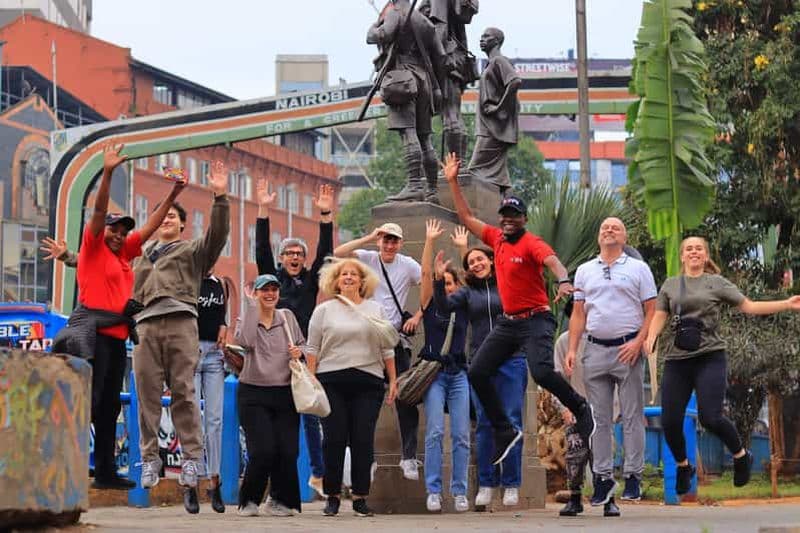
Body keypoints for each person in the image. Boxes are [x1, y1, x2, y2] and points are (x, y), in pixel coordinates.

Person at [442, 152, 595, 467]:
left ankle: (580, 407)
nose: (508, 220)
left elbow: (552, 261)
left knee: (540, 371)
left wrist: (564, 280)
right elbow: (466, 216)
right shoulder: (496, 238)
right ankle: (504, 429)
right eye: (505, 215)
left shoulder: (531, 243)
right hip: (509, 323)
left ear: (523, 219)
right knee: (478, 371)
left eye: (514, 215)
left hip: (536, 318)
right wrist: (453, 181)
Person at [50, 143, 186, 491]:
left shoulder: (124, 253)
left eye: (124, 232)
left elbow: (152, 227)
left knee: (109, 408)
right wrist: (107, 171)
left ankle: (106, 472)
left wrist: (174, 193)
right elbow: (97, 211)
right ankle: (71, 468)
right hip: (91, 337)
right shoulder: (94, 247)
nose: (119, 235)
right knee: (88, 404)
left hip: (115, 340)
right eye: (114, 229)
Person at [645, 236, 800, 495]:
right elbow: (660, 314)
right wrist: (651, 337)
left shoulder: (716, 283)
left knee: (710, 417)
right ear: (682, 256)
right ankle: (684, 466)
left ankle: (741, 456)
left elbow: (749, 306)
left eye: (699, 249)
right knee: (670, 420)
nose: (694, 252)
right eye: (689, 249)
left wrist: (786, 303)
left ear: (705, 256)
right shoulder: (671, 285)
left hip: (710, 357)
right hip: (677, 359)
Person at [132, 160, 230, 514]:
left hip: (181, 321)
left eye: (174, 215)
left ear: (184, 224)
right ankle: (149, 459)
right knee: (146, 392)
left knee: (184, 391)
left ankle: (191, 458)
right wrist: (68, 255)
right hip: (145, 324)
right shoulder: (139, 255)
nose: (167, 219)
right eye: (162, 215)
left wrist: (219, 197)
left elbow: (217, 237)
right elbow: (101, 263)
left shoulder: (192, 252)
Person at [565, 217, 657, 516]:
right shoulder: (584, 270)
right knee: (599, 420)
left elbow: (652, 310)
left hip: (627, 349)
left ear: (624, 236)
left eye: (615, 227)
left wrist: (639, 342)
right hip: (594, 349)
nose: (608, 230)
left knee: (631, 416)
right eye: (604, 227)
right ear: (598, 236)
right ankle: (603, 478)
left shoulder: (638, 268)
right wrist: (573, 349)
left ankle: (632, 476)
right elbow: (578, 314)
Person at [433, 232, 528, 508]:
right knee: (485, 423)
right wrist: (439, 280)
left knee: (511, 420)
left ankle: (511, 484)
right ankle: (487, 482)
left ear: (491, 260)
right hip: (480, 364)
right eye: (471, 261)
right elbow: (443, 306)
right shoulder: (466, 292)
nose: (476, 263)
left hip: (511, 360)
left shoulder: (508, 284)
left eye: (480, 259)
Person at [254, 178, 335, 497]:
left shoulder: (310, 283)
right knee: (276, 417)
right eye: (288, 253)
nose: (294, 257)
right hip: (271, 355)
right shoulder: (272, 281)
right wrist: (262, 209)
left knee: (312, 413)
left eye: (298, 253)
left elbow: (325, 254)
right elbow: (261, 252)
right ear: (282, 258)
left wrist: (325, 216)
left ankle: (318, 473)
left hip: (301, 355)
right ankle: (270, 476)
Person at [306, 258, 398, 517]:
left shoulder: (375, 309)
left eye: (353, 274)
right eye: (343, 274)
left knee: (362, 440)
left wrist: (392, 379)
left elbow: (387, 347)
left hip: (368, 381)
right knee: (333, 439)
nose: (348, 277)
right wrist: (311, 379)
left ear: (362, 281)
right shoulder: (323, 310)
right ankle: (332, 496)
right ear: (335, 281)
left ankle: (360, 497)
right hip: (331, 380)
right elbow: (312, 348)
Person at [333, 223, 423, 481]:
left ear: (401, 243)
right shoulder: (368, 258)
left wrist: (417, 315)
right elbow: (339, 252)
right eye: (386, 240)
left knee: (406, 397)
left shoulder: (407, 264)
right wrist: (371, 237)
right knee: (366, 401)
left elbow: (431, 284)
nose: (389, 245)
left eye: (394, 240)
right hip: (366, 338)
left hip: (394, 338)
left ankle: (407, 457)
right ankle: (367, 459)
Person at [234, 274, 305, 517]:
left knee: (288, 450)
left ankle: (280, 500)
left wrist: (299, 351)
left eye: (274, 289)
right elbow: (245, 341)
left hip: (285, 392)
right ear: (256, 292)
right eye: (264, 289)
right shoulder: (247, 316)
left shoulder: (287, 317)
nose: (270, 294)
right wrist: (253, 307)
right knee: (263, 449)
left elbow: (303, 345)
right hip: (253, 393)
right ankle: (249, 499)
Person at [366, 0, 446, 202]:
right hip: (425, 81)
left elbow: (376, 36)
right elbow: (441, 56)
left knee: (409, 133)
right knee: (425, 137)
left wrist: (374, 26)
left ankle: (415, 185)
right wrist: (438, 88)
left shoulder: (395, 13)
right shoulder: (426, 23)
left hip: (402, 79)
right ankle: (433, 190)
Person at [418, 219, 470, 513]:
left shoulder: (463, 304)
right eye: (445, 283)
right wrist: (428, 242)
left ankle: (459, 490)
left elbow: (474, 278)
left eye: (452, 283)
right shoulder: (430, 303)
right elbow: (426, 274)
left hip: (458, 374)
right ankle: (434, 490)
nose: (448, 287)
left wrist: (463, 250)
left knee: (461, 434)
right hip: (435, 374)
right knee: (436, 431)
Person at [423, 0, 479, 164]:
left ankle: (455, 167)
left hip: (444, 57)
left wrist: (433, 58)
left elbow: (440, 26)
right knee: (454, 113)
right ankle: (459, 166)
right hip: (455, 57)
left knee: (450, 114)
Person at [466, 27, 521, 195]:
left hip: (493, 129)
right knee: (499, 177)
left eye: (486, 37)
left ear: (496, 41)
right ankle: (508, 207)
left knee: (474, 169)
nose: (481, 39)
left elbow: (515, 81)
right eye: (481, 36)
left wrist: (499, 107)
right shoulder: (491, 64)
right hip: (487, 125)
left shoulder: (499, 61)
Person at [194, 270, 230, 513]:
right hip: (190, 352)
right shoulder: (186, 278)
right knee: (193, 419)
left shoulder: (220, 284)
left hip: (214, 354)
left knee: (215, 420)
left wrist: (225, 325)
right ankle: (192, 484)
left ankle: (214, 480)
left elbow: (221, 316)